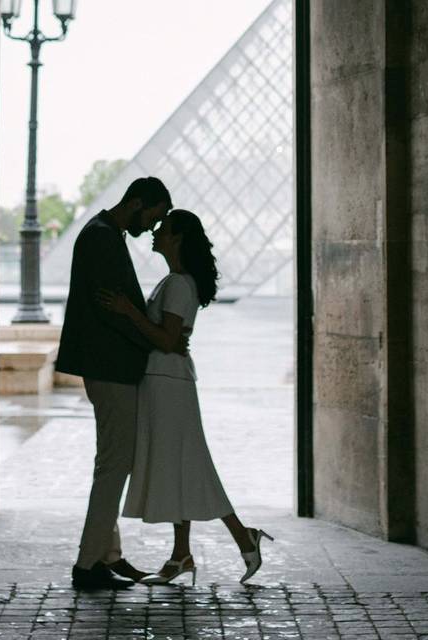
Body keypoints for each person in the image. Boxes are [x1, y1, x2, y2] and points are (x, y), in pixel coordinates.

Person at [98, 209, 273, 585]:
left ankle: (232, 540)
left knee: (185, 464)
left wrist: (128, 311)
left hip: (167, 382)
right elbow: (171, 339)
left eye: (163, 229)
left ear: (177, 238)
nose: (155, 233)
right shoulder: (176, 280)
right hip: (166, 380)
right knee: (181, 465)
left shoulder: (178, 284)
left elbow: (165, 340)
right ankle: (187, 553)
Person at [55, 177, 174, 590]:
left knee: (111, 462)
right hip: (112, 368)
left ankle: (107, 557)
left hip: (107, 367)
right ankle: (88, 566)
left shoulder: (102, 232)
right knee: (113, 467)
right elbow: (113, 311)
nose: (152, 229)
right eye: (152, 218)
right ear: (137, 203)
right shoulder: (102, 238)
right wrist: (158, 341)